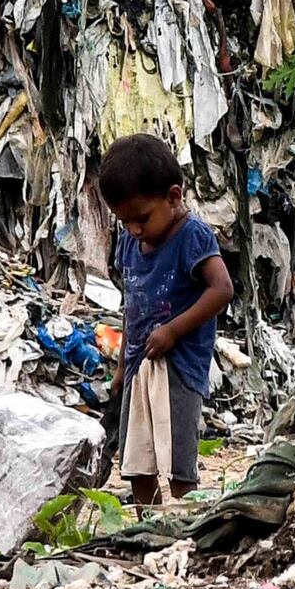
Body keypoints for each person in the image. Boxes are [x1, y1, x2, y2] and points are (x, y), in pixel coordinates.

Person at [94, 134, 231, 502]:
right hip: (138, 363)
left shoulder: (192, 237)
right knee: (137, 463)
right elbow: (132, 305)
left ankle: (186, 528)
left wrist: (173, 330)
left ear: (173, 196)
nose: (134, 230)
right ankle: (149, 527)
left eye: (141, 218)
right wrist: (122, 365)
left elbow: (221, 289)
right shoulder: (130, 242)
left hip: (178, 366)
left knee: (178, 465)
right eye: (124, 221)